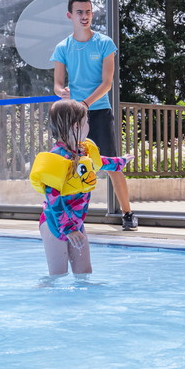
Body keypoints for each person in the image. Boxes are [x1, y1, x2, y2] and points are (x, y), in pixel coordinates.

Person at [52, 0, 137, 231]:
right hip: (72, 116)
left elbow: (107, 83)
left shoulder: (104, 43)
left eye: (88, 11)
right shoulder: (62, 48)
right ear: (70, 15)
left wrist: (85, 104)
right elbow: (57, 84)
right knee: (65, 163)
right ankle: (63, 214)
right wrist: (62, 93)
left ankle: (128, 213)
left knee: (112, 164)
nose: (85, 16)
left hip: (98, 111)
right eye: (79, 12)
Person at [30, 99, 131, 275]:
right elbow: (53, 199)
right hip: (55, 223)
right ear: (77, 126)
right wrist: (68, 229)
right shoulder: (56, 159)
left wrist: (120, 162)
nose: (88, 126)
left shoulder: (82, 151)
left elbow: (99, 162)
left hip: (75, 222)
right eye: (87, 122)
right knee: (58, 275)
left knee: (84, 272)